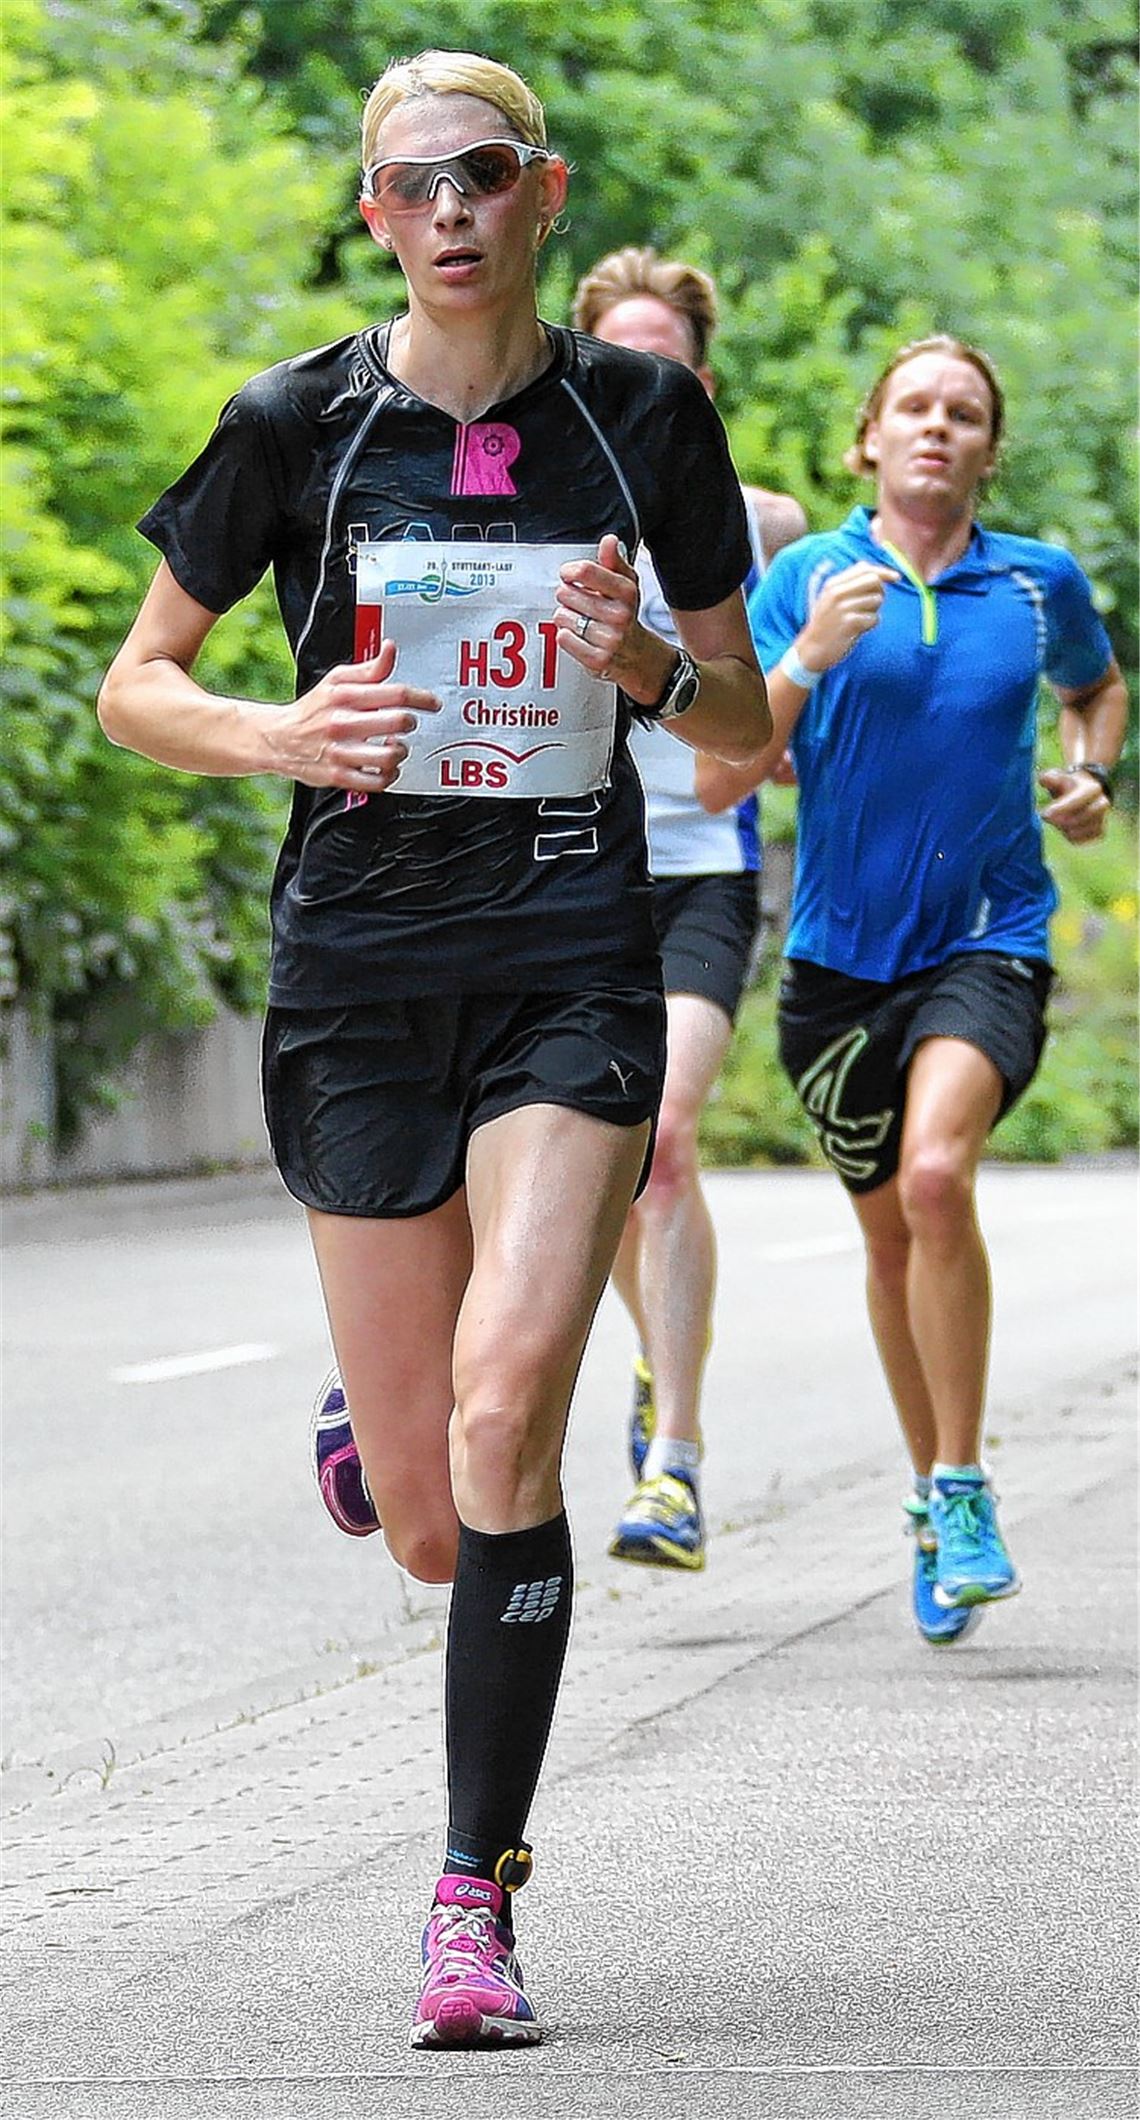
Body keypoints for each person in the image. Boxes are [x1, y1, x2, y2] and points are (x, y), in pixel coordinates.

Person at [97, 49, 769, 2048]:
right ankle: (362, 1409)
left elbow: (743, 732)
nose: (454, 206)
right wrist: (277, 731)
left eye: (487, 171)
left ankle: (472, 1894)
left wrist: (639, 657)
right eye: (416, 181)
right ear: (374, 211)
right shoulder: (295, 420)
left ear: (543, 191)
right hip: (361, 975)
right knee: (422, 1512)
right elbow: (140, 685)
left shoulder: (644, 413)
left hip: (573, 956)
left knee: (505, 1426)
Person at [746, 334, 1126, 1645]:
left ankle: (962, 1485)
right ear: (869, 438)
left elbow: (1098, 688)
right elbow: (730, 762)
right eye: (914, 407)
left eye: (963, 414)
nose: (937, 429)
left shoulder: (1036, 585)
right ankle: (926, 1489)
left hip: (990, 932)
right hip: (837, 961)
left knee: (934, 1177)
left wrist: (1092, 774)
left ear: (985, 449)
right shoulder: (804, 577)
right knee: (889, 1239)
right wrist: (807, 658)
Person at [571, 247, 806, 1570]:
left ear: (700, 381)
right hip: (568, 871)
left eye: (667, 363)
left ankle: (676, 1463)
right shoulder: (528, 511)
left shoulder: (756, 527)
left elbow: (781, 697)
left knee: (659, 1134)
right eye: (617, 360)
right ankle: (660, 1354)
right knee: (610, 1154)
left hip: (705, 868)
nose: (642, 384)